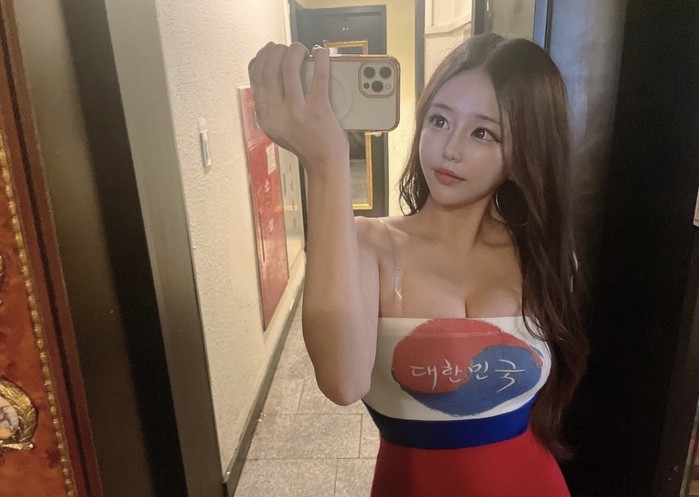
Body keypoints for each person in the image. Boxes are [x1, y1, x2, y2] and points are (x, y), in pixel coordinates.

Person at [249, 32, 588, 497]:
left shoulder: (543, 257)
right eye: (439, 120)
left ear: (523, 151)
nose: (449, 149)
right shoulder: (369, 245)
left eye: (483, 133)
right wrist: (326, 164)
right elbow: (343, 381)